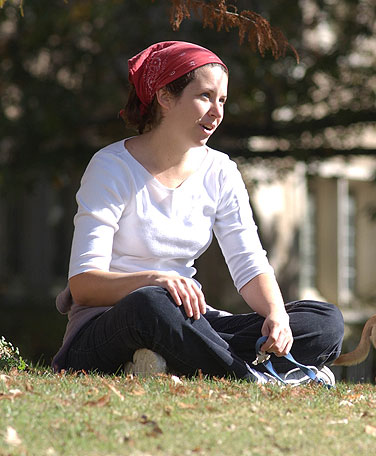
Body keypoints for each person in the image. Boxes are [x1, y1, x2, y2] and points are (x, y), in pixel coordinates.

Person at [51, 41, 344, 384]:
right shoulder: (111, 167)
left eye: (222, 100)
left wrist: (277, 316)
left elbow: (248, 260)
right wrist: (155, 280)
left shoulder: (220, 171)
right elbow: (84, 286)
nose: (217, 112)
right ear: (165, 96)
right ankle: (254, 377)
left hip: (191, 322)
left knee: (324, 321)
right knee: (152, 304)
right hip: (110, 326)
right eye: (205, 96)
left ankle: (177, 361)